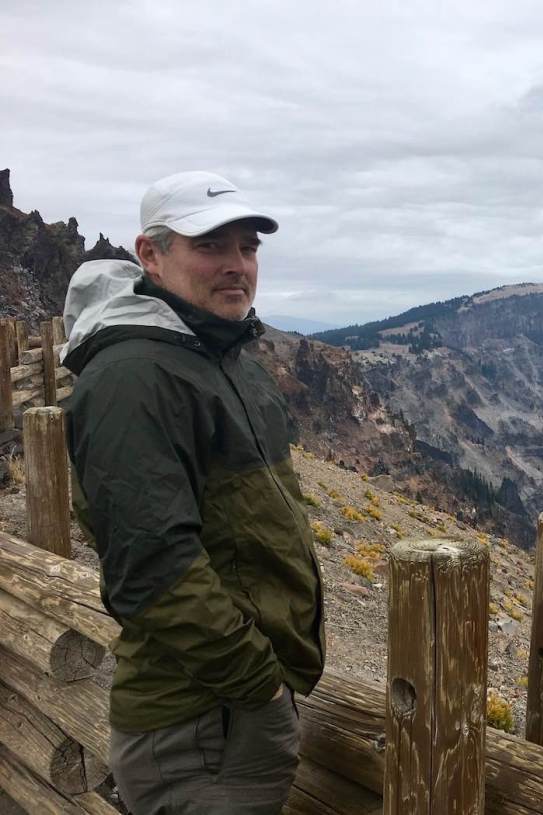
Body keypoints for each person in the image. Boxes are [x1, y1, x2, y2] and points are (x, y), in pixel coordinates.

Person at [61, 171, 325, 814]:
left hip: (223, 710)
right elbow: (152, 569)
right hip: (202, 722)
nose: (237, 266)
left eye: (248, 247)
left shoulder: (218, 358)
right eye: (211, 246)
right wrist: (260, 689)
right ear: (149, 255)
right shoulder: (134, 376)